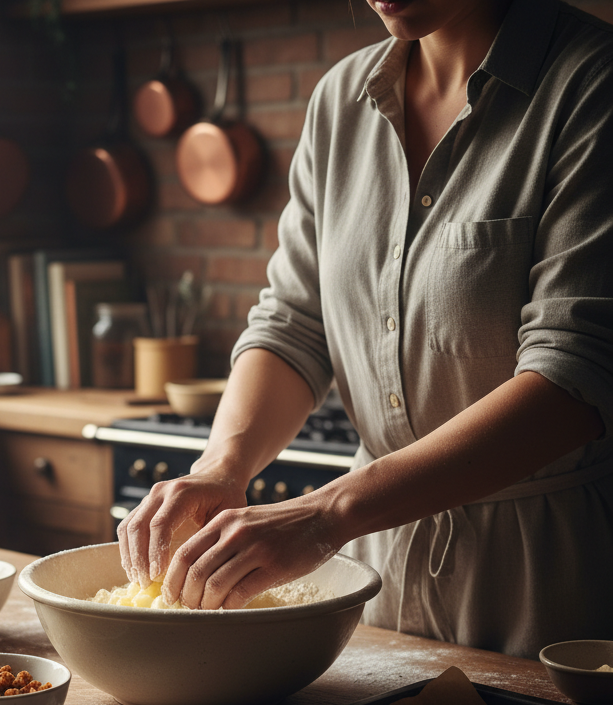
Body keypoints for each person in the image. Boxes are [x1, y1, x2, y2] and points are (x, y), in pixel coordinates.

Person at [118, 0, 613, 659]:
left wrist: (326, 515)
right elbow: (295, 320)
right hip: (377, 574)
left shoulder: (591, 83)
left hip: (544, 580)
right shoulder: (339, 101)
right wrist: (222, 465)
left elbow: (573, 378)